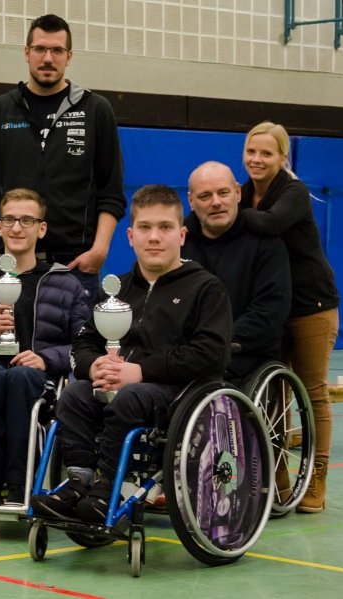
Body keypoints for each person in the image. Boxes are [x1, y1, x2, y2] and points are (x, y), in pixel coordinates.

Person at [30, 185, 232, 523]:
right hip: (122, 386)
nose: (154, 237)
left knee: (129, 398)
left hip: (175, 393)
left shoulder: (205, 288)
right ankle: (79, 481)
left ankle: (108, 487)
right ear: (130, 236)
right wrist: (94, 365)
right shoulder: (117, 289)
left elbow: (210, 354)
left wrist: (139, 371)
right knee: (77, 395)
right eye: (145, 228)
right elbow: (82, 344)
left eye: (165, 228)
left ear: (181, 235)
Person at [0, 188, 89, 506]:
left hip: (40, 380)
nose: (17, 227)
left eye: (26, 219)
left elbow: (85, 346)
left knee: (22, 378)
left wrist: (47, 358)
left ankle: (24, 486)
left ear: (41, 228)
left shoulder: (66, 284)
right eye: (9, 219)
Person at [0, 13, 125, 298]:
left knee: (78, 344)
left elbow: (111, 190)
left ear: (69, 56)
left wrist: (99, 250)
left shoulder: (95, 109)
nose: (48, 58)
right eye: (40, 49)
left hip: (77, 264)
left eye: (57, 50)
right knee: (10, 342)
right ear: (27, 53)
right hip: (12, 262)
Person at [237, 122, 339, 513]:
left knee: (313, 394)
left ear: (283, 158)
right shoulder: (244, 192)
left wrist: (232, 212)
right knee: (274, 398)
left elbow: (271, 223)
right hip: (272, 308)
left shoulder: (293, 192)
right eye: (251, 152)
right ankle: (279, 485)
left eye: (266, 153)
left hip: (312, 306)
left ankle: (317, 482)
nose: (257, 159)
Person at [182, 161, 291, 384]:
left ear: (238, 193)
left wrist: (212, 343)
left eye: (223, 193)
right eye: (205, 196)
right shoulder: (177, 243)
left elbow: (268, 313)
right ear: (191, 201)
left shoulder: (267, 245)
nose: (216, 202)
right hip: (184, 358)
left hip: (244, 360)